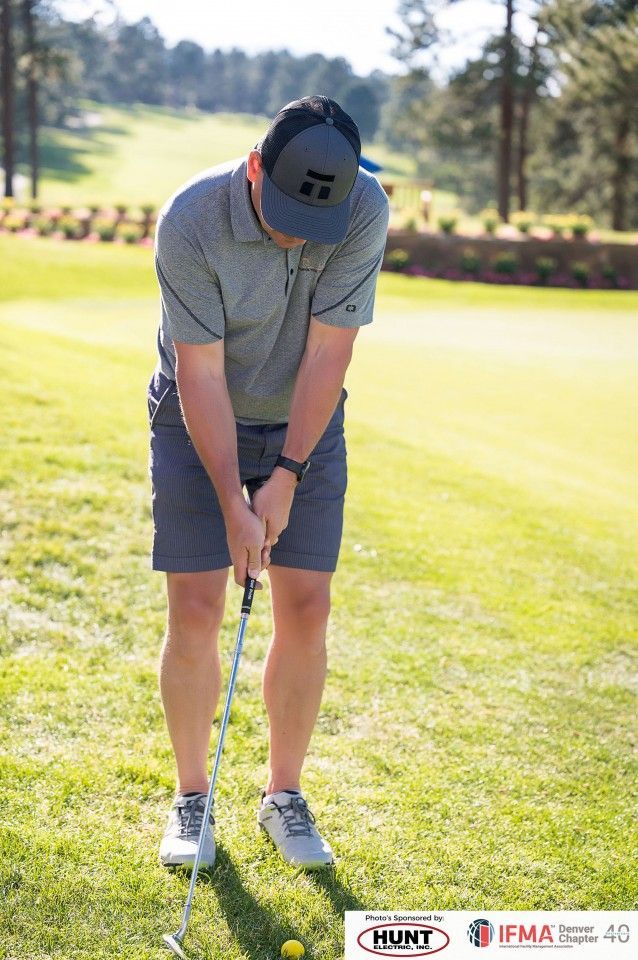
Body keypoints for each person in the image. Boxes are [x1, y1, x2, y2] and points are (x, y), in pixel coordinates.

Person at [147, 95, 389, 870]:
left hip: (305, 422)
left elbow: (328, 357)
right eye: (282, 211)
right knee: (195, 604)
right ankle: (193, 800)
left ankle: (283, 795)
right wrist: (231, 500)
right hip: (197, 417)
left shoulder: (363, 208)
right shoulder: (191, 220)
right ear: (255, 165)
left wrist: (285, 475)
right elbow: (203, 372)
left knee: (308, 603)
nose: (293, 234)